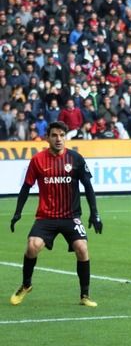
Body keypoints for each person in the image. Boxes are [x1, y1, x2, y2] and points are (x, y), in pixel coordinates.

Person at [9, 121, 102, 307]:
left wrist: (95, 214)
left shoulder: (76, 158)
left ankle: (85, 295)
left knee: (82, 248)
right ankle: (26, 285)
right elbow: (26, 187)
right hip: (46, 217)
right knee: (32, 246)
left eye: (61, 135)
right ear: (48, 138)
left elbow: (88, 187)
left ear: (65, 137)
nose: (59, 139)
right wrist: (17, 213)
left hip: (71, 216)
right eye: (54, 135)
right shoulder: (38, 160)